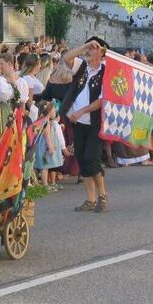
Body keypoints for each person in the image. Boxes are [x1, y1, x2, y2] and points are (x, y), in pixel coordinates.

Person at [62, 37, 110, 212]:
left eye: (93, 48)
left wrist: (81, 111)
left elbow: (102, 100)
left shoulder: (106, 72)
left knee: (92, 158)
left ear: (101, 52)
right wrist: (83, 46)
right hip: (78, 123)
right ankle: (90, 199)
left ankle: (102, 196)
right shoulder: (82, 67)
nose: (89, 51)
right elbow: (66, 58)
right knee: (82, 160)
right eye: (88, 48)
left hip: (95, 122)